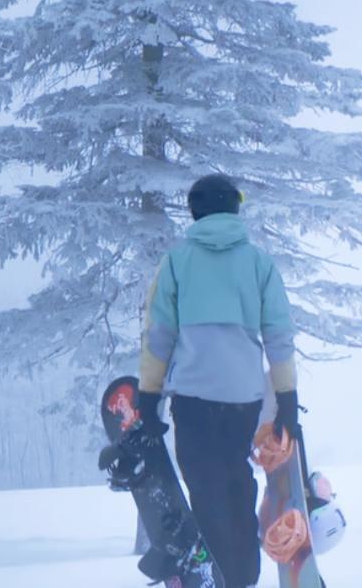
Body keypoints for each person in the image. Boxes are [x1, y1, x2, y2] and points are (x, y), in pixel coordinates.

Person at [137, 173, 298, 588]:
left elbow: (158, 336)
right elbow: (279, 335)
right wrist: (287, 400)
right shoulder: (259, 263)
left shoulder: (176, 262)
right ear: (234, 209)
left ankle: (216, 578)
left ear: (195, 211)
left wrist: (147, 396)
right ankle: (242, 577)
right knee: (235, 483)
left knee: (204, 491)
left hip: (193, 398)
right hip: (243, 400)